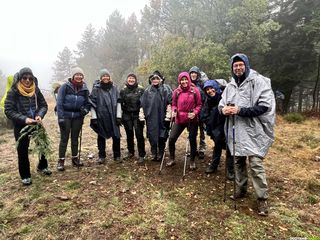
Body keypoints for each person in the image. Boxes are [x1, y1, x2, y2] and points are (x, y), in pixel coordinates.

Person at [219, 53, 275, 216]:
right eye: (235, 65)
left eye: (240, 65)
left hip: (254, 130)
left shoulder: (258, 81)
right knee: (238, 161)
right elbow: (221, 105)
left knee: (256, 164)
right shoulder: (230, 86)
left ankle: (262, 199)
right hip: (236, 130)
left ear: (246, 65)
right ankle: (241, 189)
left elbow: (264, 106)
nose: (238, 68)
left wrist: (240, 110)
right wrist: (223, 110)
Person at [4, 67, 52, 185]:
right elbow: (9, 110)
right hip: (21, 125)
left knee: (42, 145)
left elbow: (43, 105)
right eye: (24, 78)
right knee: (22, 150)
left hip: (36, 123)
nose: (27, 80)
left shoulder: (36, 90)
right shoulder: (13, 92)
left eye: (30, 78)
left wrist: (39, 115)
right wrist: (24, 119)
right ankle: (25, 175)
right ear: (20, 78)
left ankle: (42, 166)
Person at [56, 67, 90, 171]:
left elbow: (87, 103)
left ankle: (75, 158)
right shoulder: (65, 87)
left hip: (77, 117)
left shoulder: (84, 88)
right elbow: (59, 103)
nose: (79, 76)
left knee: (75, 138)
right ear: (73, 76)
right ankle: (61, 161)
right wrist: (60, 117)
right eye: (77, 74)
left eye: (81, 75)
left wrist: (85, 110)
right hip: (65, 116)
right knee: (64, 138)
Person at [167, 72, 202, 169]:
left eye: (186, 79)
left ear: (189, 79)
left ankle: (192, 161)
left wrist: (195, 112)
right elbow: (173, 104)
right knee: (172, 138)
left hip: (192, 118)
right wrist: (173, 110)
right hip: (179, 118)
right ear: (179, 81)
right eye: (182, 80)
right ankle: (172, 158)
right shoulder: (176, 92)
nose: (184, 81)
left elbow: (199, 105)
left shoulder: (195, 91)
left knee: (192, 139)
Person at [201, 80, 234, 179]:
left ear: (216, 87)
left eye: (211, 88)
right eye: (207, 89)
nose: (210, 91)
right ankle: (214, 166)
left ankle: (230, 170)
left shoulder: (225, 97)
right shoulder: (208, 100)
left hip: (227, 125)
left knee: (229, 147)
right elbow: (204, 115)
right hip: (215, 127)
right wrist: (210, 123)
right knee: (217, 146)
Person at [89, 69, 122, 164]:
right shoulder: (96, 89)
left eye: (107, 76)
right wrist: (94, 118)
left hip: (114, 116)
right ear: (100, 78)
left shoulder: (114, 88)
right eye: (103, 76)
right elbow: (92, 103)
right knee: (101, 136)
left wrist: (119, 116)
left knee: (116, 136)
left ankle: (117, 155)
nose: (105, 77)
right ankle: (102, 156)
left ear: (109, 77)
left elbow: (119, 101)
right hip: (101, 116)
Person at [141, 70, 172, 162]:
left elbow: (170, 102)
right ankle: (154, 152)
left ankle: (161, 152)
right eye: (153, 79)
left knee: (162, 134)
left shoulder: (166, 89)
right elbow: (143, 104)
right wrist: (142, 115)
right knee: (152, 134)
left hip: (162, 116)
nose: (155, 80)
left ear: (161, 79)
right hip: (151, 117)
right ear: (151, 80)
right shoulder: (147, 91)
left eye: (157, 78)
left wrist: (168, 115)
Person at [119, 73, 146, 164]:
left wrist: (142, 115)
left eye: (133, 78)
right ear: (127, 80)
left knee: (139, 135)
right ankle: (131, 152)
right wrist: (120, 116)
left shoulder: (141, 89)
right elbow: (120, 103)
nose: (131, 80)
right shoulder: (123, 90)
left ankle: (141, 154)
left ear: (135, 79)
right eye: (129, 78)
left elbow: (144, 103)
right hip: (127, 115)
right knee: (129, 134)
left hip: (137, 115)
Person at [189, 66, 207, 159]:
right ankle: (193, 149)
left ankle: (202, 149)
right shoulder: (187, 84)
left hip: (201, 110)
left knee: (202, 131)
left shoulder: (202, 84)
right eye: (191, 73)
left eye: (195, 73)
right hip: (191, 111)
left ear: (198, 74)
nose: (193, 74)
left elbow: (205, 97)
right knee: (192, 131)